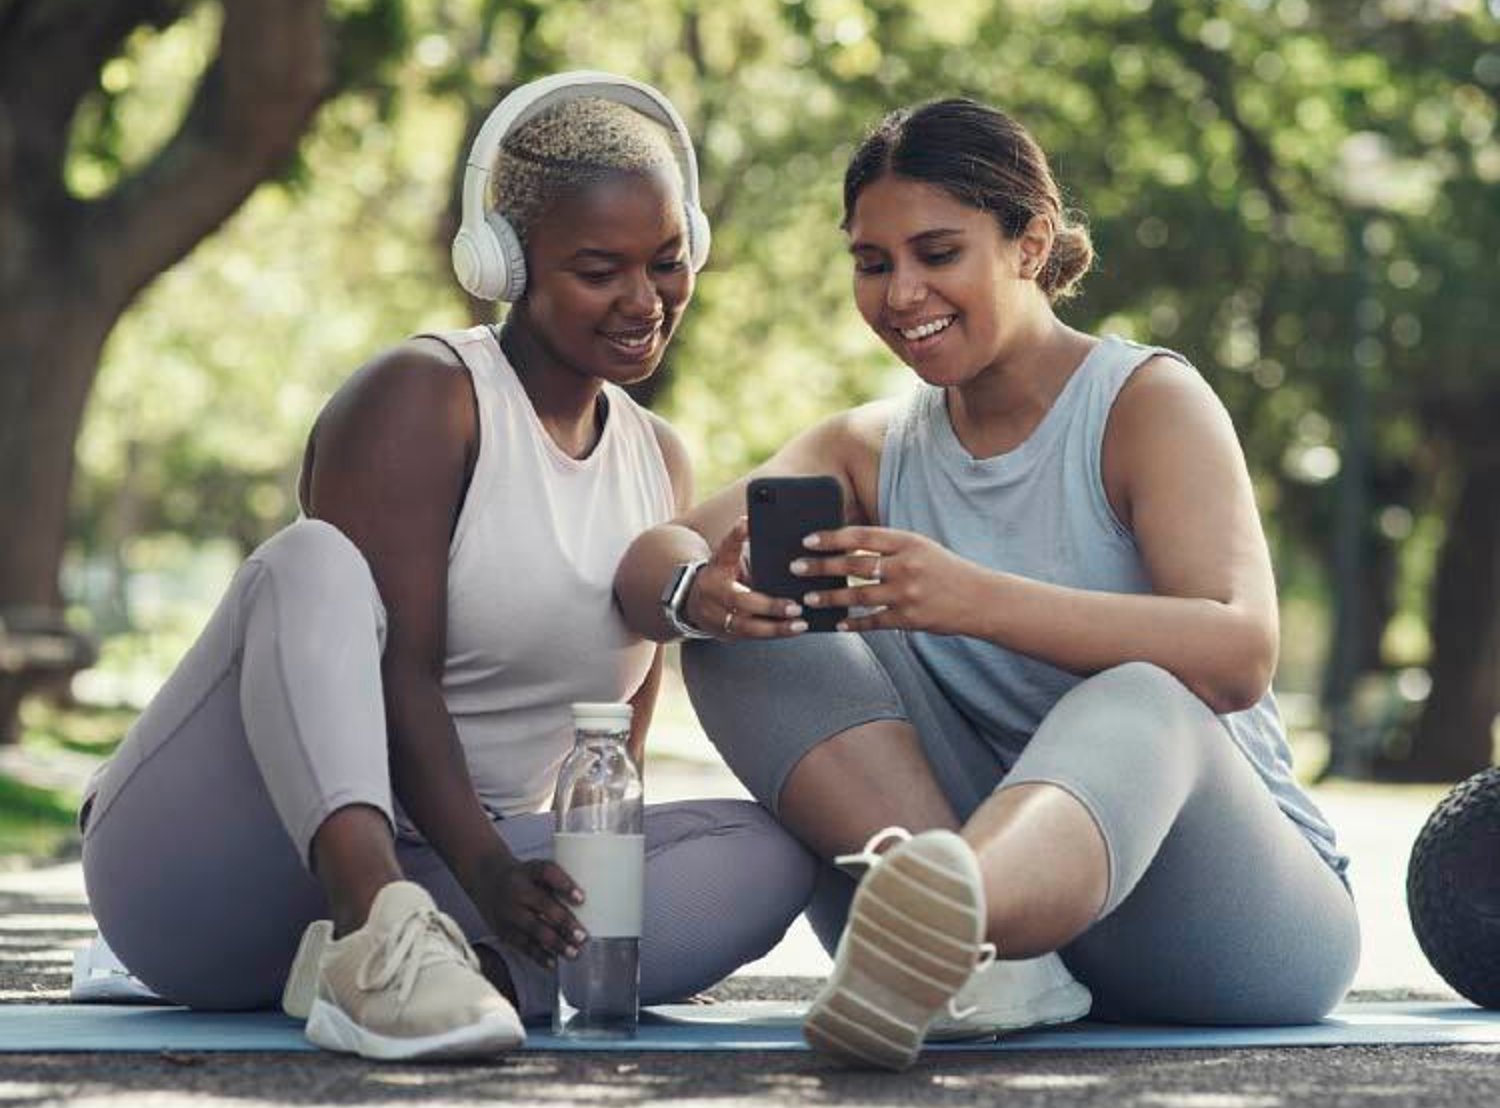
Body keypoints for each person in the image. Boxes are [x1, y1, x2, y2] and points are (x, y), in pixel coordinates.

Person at [77, 72, 816, 1062]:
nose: (646, 300)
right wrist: (484, 869)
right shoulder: (425, 396)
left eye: (669, 262)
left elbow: (618, 742)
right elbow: (396, 676)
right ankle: (376, 927)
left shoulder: (659, 457)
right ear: (503, 263)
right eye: (600, 269)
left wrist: (554, 880)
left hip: (459, 877)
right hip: (213, 862)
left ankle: (454, 979)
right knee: (311, 563)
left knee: (767, 852)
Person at [614, 98, 1360, 1070]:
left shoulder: (1146, 404)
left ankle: (954, 912)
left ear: (1028, 242)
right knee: (746, 625)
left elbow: (1240, 654)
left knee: (1145, 690)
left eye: (937, 252)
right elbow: (648, 563)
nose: (901, 292)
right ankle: (969, 955)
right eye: (872, 262)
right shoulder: (866, 446)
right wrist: (698, 595)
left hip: (1227, 917)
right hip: (1017, 940)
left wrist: (968, 597)